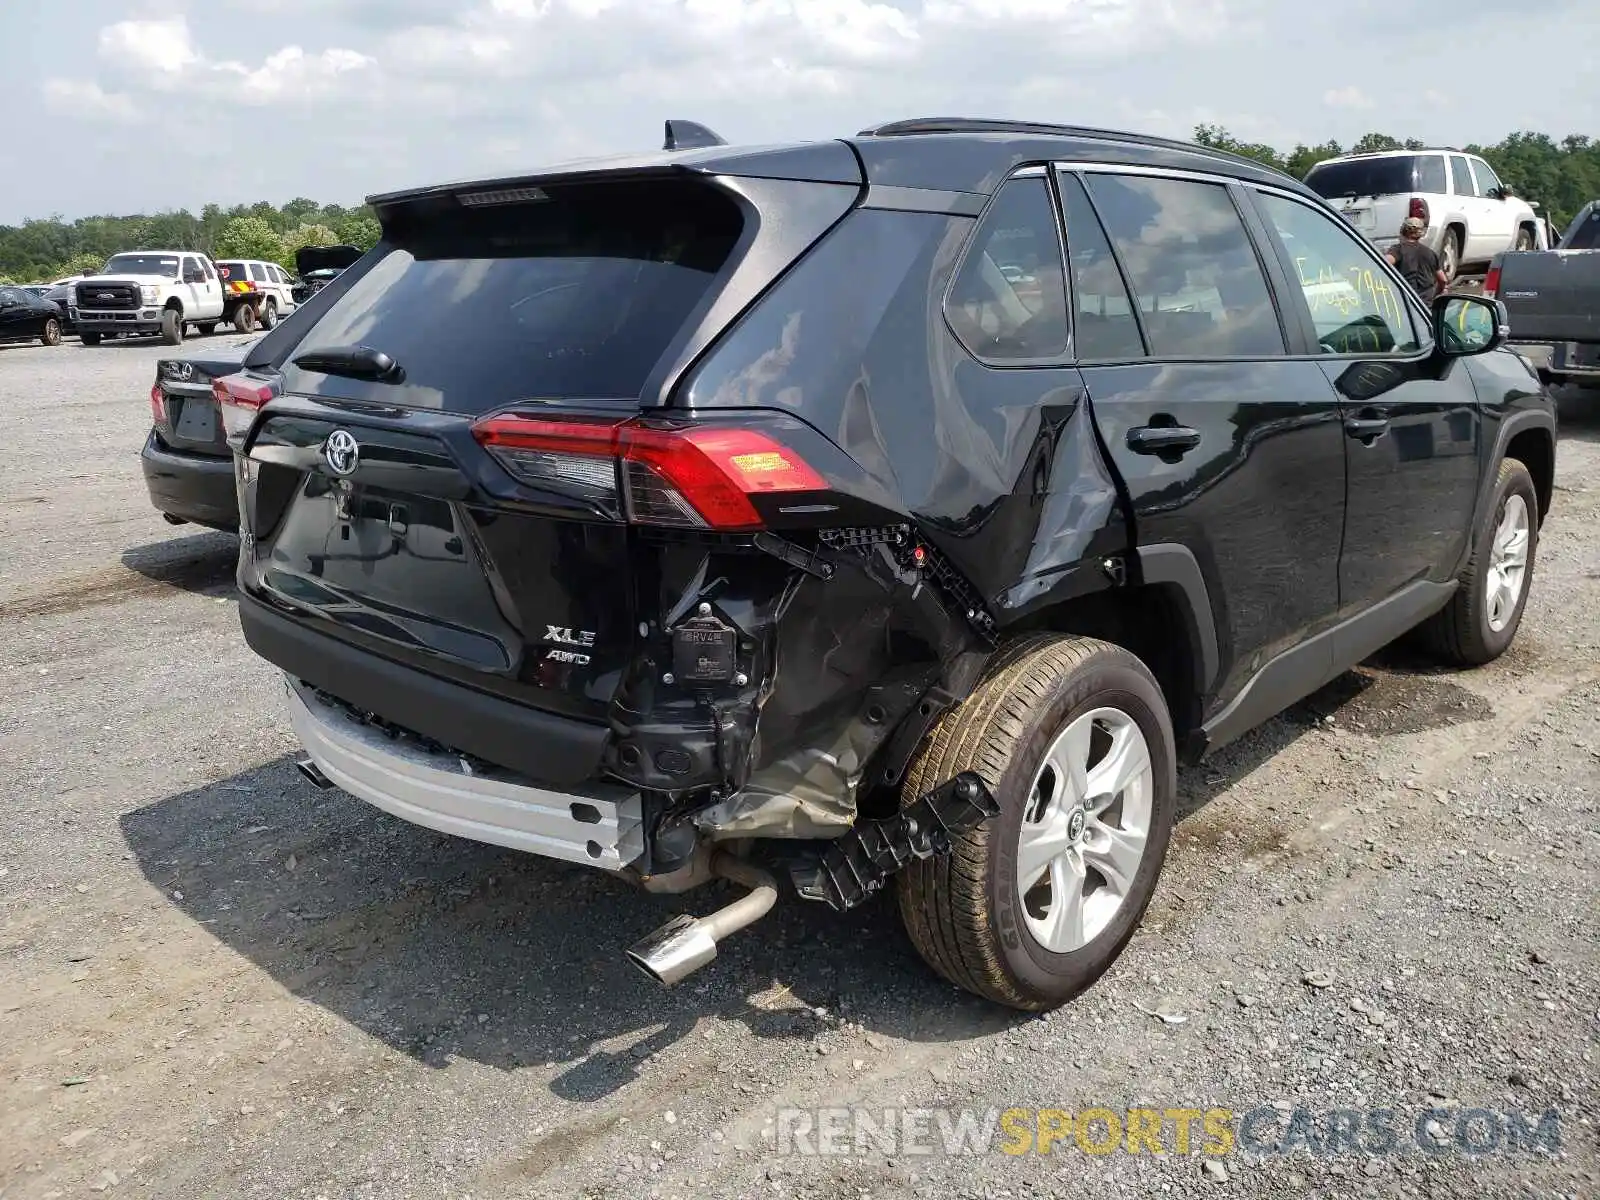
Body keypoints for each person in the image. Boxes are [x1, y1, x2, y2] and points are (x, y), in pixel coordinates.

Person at [1386, 217, 1450, 303]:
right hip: (1425, 306)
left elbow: (1385, 263)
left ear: (1403, 231)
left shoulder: (1398, 250)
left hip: (1405, 302)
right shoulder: (1430, 253)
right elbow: (1443, 280)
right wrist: (1438, 293)